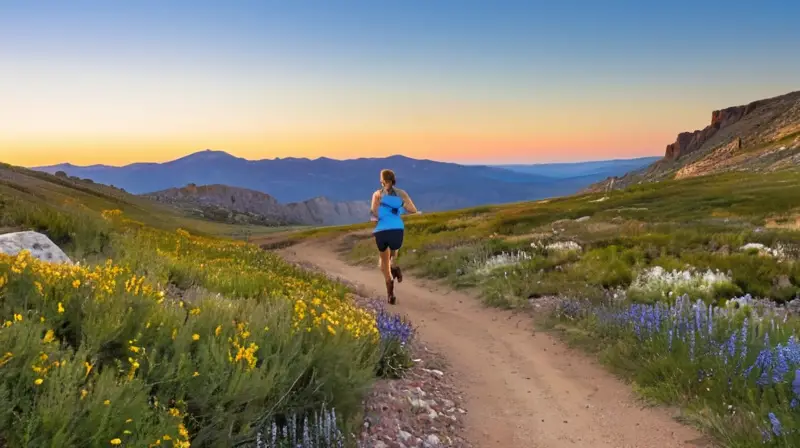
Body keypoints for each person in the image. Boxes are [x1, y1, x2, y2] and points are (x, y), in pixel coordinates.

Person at [370, 169, 417, 304]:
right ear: (393, 180)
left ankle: (390, 292)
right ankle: (395, 268)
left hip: (383, 230)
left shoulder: (377, 194)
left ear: (382, 181)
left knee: (383, 264)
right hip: (397, 229)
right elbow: (413, 209)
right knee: (392, 257)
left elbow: (374, 212)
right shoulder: (401, 194)